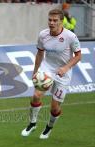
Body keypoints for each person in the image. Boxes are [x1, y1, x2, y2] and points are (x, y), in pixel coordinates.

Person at [21, 9, 81, 139]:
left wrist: (65, 68)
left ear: (61, 21)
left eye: (55, 20)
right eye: (50, 20)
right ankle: (32, 123)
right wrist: (35, 71)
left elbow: (78, 56)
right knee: (36, 95)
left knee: (54, 108)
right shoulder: (43, 35)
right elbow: (40, 53)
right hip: (47, 68)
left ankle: (49, 127)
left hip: (63, 74)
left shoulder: (70, 36)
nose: (51, 23)